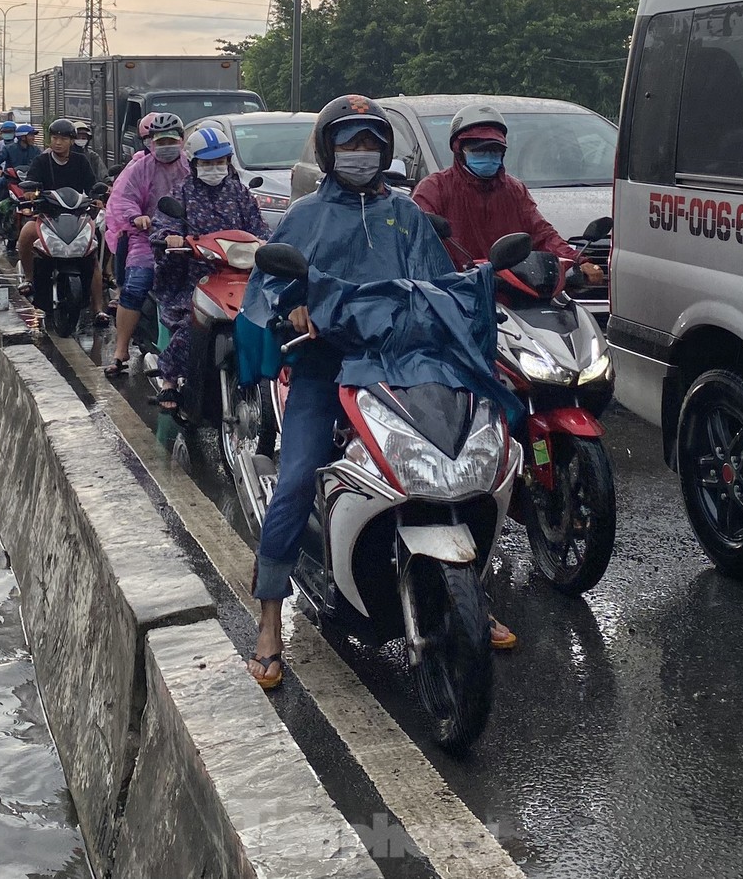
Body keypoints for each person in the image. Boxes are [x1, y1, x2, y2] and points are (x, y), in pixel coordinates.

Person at [240, 95, 517, 690]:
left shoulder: (406, 213)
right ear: (328, 149)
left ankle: (474, 591)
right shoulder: (306, 216)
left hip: (405, 360)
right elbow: (267, 286)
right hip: (326, 365)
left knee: (468, 456)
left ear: (386, 149)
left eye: (370, 142)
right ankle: (266, 619)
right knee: (294, 481)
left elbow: (439, 281)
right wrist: (295, 309)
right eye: (349, 142)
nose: (360, 153)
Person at [148, 122, 268, 415]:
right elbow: (163, 226)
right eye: (208, 162)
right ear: (194, 163)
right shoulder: (182, 193)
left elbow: (259, 227)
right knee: (192, 324)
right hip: (193, 275)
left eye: (220, 161)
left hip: (239, 275)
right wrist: (170, 238)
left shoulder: (239, 193)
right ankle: (169, 379)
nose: (215, 167)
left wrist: (268, 243)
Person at [411, 102, 604, 283]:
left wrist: (579, 260)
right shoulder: (434, 188)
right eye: (479, 151)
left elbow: (542, 234)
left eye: (494, 151)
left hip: (515, 290)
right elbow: (417, 240)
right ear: (459, 150)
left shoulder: (513, 190)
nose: (488, 157)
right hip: (457, 294)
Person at [102, 111, 189, 377]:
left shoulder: (192, 166)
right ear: (151, 143)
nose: (165, 147)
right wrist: (136, 217)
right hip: (148, 240)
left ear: (182, 140)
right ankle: (120, 351)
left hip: (187, 241)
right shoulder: (140, 168)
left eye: (171, 141)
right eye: (160, 142)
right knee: (135, 287)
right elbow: (123, 198)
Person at [18, 118, 107, 327]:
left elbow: (92, 185)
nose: (58, 143)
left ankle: (98, 309)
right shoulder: (41, 161)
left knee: (93, 251)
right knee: (26, 233)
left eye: (63, 139)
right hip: (47, 216)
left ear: (71, 141)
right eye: (55, 138)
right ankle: (30, 279)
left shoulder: (81, 161)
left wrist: (97, 197)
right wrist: (30, 193)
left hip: (77, 217)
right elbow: (30, 184)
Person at [0, 124, 42, 242]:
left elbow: (43, 163)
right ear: (23, 137)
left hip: (31, 183)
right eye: (31, 135)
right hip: (11, 181)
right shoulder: (9, 148)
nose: (33, 138)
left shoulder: (36, 150)